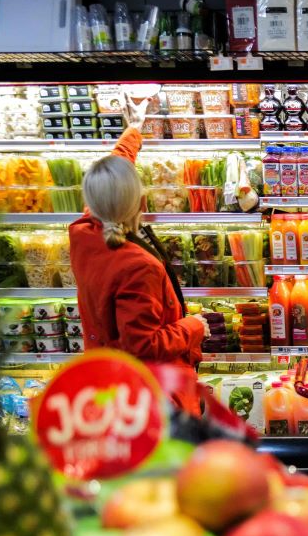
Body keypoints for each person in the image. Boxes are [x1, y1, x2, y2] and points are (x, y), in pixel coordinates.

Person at [69, 101, 208, 414]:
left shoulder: (85, 233)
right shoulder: (138, 267)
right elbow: (143, 344)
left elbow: (111, 177)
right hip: (153, 395)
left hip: (111, 380)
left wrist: (133, 131)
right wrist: (193, 327)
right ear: (140, 202)